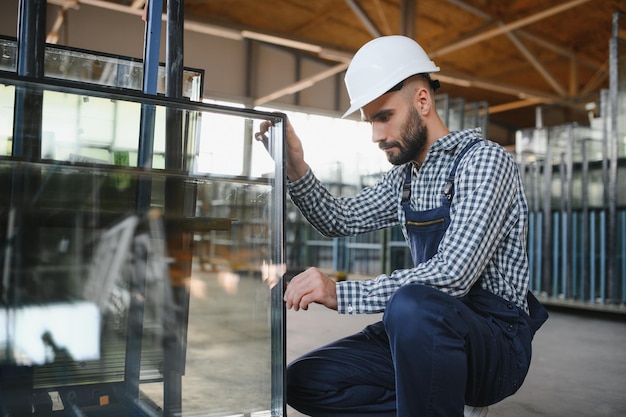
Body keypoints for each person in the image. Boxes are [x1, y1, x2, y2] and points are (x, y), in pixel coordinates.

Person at [256, 35, 548, 417]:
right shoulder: (406, 180)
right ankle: (434, 405)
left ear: (422, 101)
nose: (376, 135)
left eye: (384, 117)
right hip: (421, 332)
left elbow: (454, 274)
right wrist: (295, 166)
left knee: (411, 304)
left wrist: (340, 294)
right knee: (304, 381)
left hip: (493, 344)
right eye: (369, 121)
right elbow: (338, 218)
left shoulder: (484, 162)